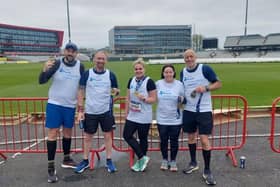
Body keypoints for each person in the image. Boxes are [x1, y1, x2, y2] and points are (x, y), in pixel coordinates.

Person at [39, 42, 85, 183]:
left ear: (76, 53)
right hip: (55, 104)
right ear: (64, 51)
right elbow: (42, 81)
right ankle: (51, 168)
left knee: (67, 133)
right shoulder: (57, 64)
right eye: (68, 50)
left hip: (70, 106)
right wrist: (43, 69)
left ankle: (66, 159)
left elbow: (81, 87)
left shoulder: (80, 66)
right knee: (53, 133)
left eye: (73, 51)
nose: (70, 53)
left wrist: (80, 106)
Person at [180, 49, 222, 185]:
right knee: (191, 137)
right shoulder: (183, 72)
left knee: (204, 140)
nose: (189, 59)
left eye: (191, 56)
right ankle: (193, 163)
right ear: (184, 59)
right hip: (189, 110)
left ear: (195, 57)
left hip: (203, 110)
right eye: (186, 57)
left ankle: (207, 170)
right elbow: (183, 89)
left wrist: (206, 88)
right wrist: (182, 99)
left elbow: (218, 84)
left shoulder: (205, 69)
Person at [75, 51, 119, 174]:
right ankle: (85, 160)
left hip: (105, 112)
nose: (100, 61)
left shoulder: (111, 75)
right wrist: (80, 108)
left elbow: (116, 91)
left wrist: (115, 93)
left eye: (103, 59)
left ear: (106, 61)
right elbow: (81, 91)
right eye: (98, 58)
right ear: (94, 59)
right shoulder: (87, 74)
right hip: (90, 111)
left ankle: (109, 160)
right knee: (88, 137)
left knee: (107, 136)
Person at [123, 58, 157, 172]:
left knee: (143, 139)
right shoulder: (131, 80)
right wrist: (126, 111)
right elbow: (127, 97)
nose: (138, 71)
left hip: (144, 115)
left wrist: (145, 99)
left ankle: (141, 162)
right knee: (127, 135)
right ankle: (143, 157)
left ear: (144, 69)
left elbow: (154, 99)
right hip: (132, 114)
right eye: (136, 69)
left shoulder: (149, 81)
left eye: (140, 69)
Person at [156, 64, 184, 172]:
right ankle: (164, 159)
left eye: (170, 72)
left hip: (175, 119)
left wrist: (182, 99)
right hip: (162, 118)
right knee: (163, 140)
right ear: (163, 73)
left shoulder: (179, 84)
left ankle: (173, 160)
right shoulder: (158, 84)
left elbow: (184, 100)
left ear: (173, 73)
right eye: (166, 72)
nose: (168, 74)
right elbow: (152, 96)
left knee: (174, 141)